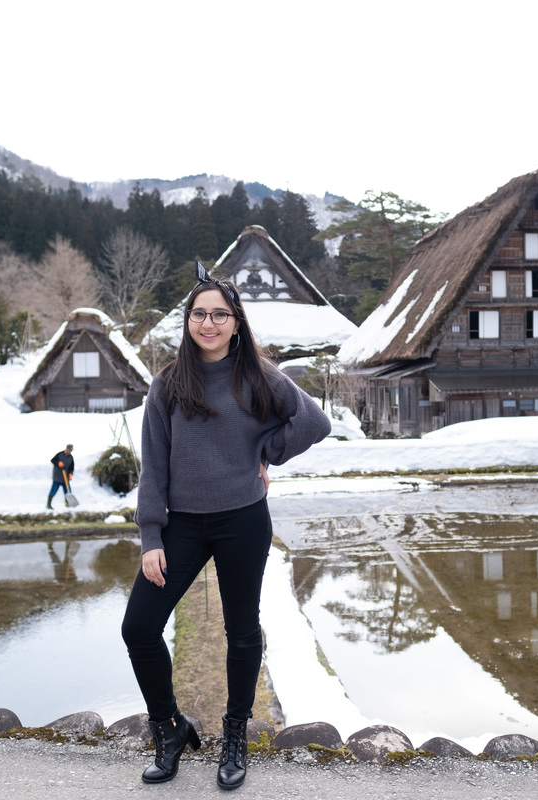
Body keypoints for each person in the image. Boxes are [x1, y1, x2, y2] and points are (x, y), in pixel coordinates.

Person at [121, 263, 331, 790]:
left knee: (242, 631)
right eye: (199, 314)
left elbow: (314, 422)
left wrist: (267, 449)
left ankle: (234, 733)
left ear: (236, 322)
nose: (208, 323)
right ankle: (169, 728)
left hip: (242, 520)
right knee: (139, 628)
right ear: (187, 321)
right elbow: (155, 467)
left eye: (219, 314)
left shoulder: (259, 377)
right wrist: (151, 536)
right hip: (182, 527)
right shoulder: (168, 385)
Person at [47, 445, 75, 509]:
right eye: (69, 450)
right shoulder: (60, 454)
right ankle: (48, 504)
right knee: (53, 490)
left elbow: (72, 467)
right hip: (57, 477)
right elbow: (52, 460)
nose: (70, 451)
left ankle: (68, 503)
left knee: (68, 491)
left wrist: (70, 474)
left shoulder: (71, 457)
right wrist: (58, 463)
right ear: (66, 449)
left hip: (65, 479)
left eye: (71, 450)